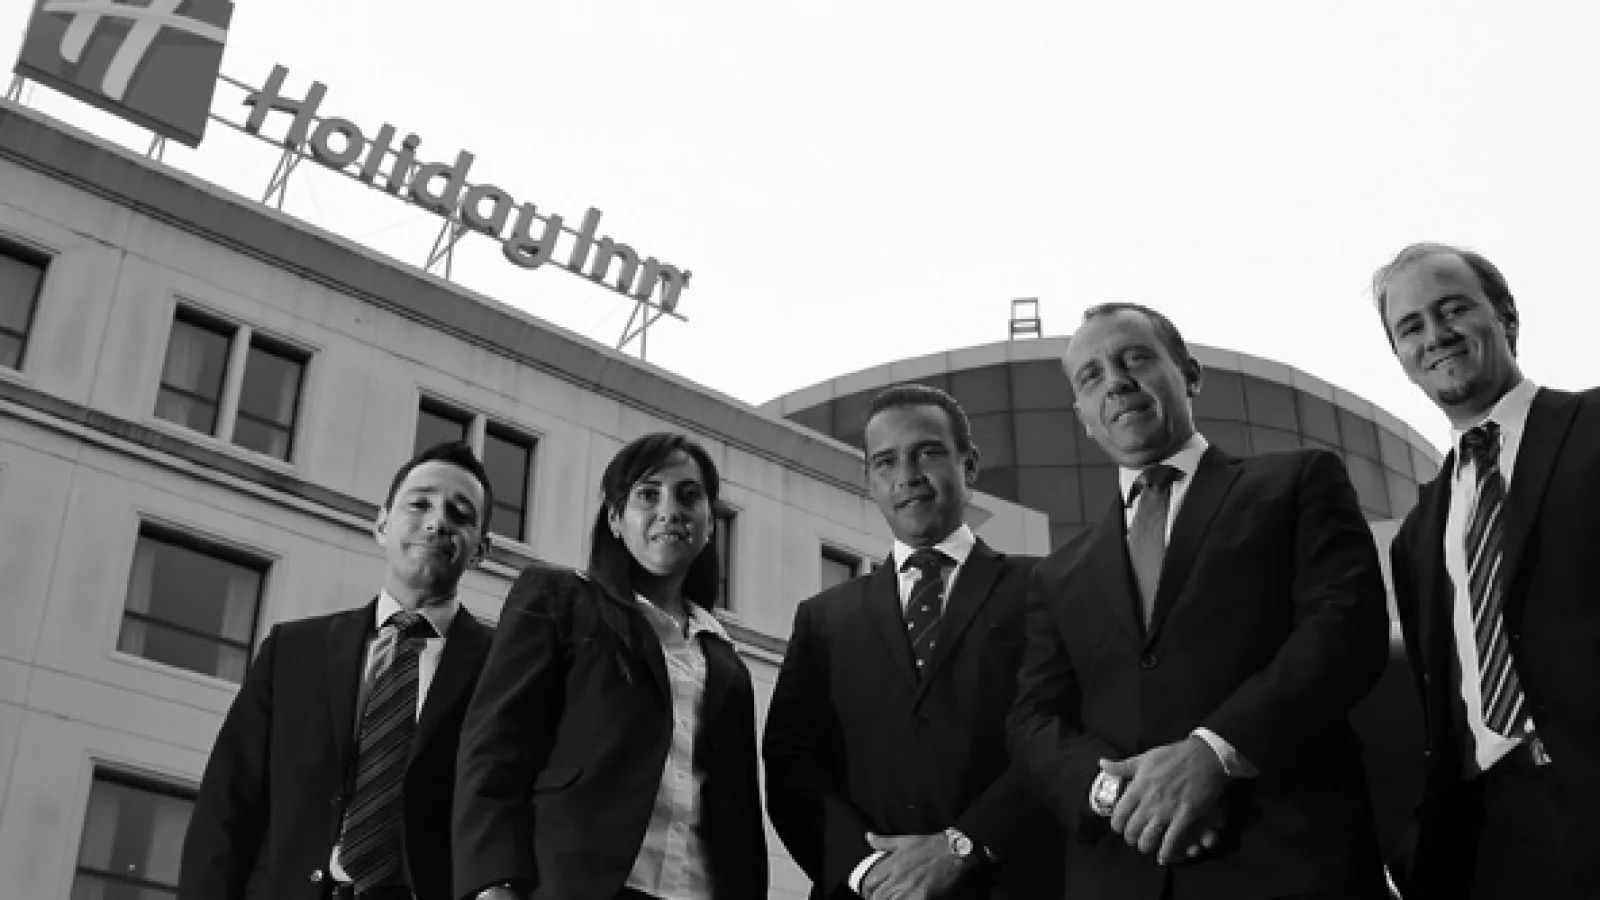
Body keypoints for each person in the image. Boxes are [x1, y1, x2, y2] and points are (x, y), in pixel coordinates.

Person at [1007, 303, 1392, 899]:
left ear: (1189, 374)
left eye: (1135, 358)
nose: (1116, 381)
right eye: (1091, 376)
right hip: (1123, 871)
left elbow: (1346, 626)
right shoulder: (1059, 573)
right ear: (1082, 416)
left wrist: (1213, 753)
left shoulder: (1295, 482)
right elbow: (1035, 719)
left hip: (1285, 859)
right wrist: (1117, 796)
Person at [764, 384, 1064, 900]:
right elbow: (793, 763)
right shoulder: (823, 619)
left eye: (926, 453)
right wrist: (867, 872)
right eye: (885, 462)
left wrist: (965, 845)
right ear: (870, 481)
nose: (907, 476)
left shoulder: (1043, 587)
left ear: (969, 465)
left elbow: (1064, 732)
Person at [1371, 243, 1600, 898]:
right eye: (1411, 326)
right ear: (1401, 357)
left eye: (1452, 310)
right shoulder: (1416, 535)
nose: (1435, 335)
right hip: (1496, 841)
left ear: (1505, 315)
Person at [453, 432, 767, 900]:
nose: (670, 510)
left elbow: (740, 817)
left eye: (688, 496)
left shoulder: (726, 662)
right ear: (616, 519)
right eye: (648, 495)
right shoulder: (558, 601)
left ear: (708, 526)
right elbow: (496, 749)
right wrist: (493, 882)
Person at [178, 441, 497, 900]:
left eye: (460, 514)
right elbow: (227, 808)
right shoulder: (293, 652)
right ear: (381, 523)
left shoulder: (502, 670)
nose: (436, 522)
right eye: (419, 504)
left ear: (481, 550)